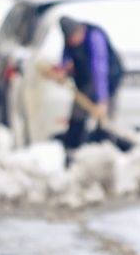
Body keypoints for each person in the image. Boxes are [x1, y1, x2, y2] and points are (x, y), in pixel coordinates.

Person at [44, 16, 130, 155]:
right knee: (77, 116)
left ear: (80, 31)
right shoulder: (69, 40)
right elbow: (66, 59)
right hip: (84, 81)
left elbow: (99, 70)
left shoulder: (94, 36)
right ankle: (72, 148)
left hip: (108, 79)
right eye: (70, 40)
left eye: (74, 39)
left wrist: (102, 100)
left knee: (104, 120)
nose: (73, 42)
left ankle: (107, 149)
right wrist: (64, 70)